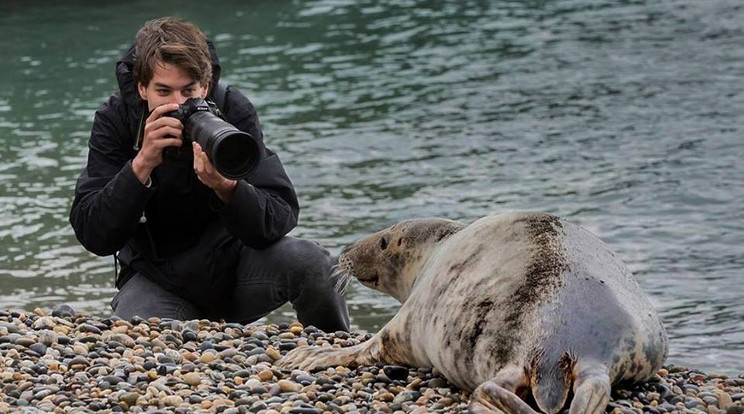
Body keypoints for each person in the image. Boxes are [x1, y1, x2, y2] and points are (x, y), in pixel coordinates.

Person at [69, 17, 350, 332]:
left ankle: (339, 349)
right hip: (159, 281)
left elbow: (280, 216)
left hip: (240, 271)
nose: (177, 104)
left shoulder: (232, 109)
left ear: (204, 86)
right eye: (163, 90)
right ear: (142, 88)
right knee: (141, 340)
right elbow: (94, 234)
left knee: (315, 263)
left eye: (188, 91)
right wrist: (141, 164)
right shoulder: (116, 120)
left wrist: (228, 188)